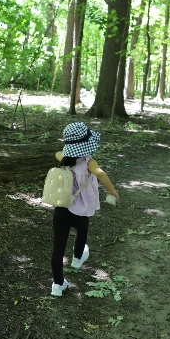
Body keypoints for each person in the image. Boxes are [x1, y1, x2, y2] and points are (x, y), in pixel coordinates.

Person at [51, 121, 119, 297]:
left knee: (58, 248)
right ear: (86, 144)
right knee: (82, 230)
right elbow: (100, 173)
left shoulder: (63, 158)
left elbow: (58, 153)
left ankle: (57, 284)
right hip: (79, 211)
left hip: (61, 208)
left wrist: (65, 152)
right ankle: (77, 256)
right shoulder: (89, 162)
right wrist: (112, 190)